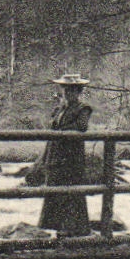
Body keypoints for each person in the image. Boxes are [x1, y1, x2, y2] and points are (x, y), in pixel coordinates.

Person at [38, 74, 94, 237]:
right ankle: (53, 227)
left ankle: (74, 228)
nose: (68, 93)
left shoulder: (83, 108)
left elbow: (81, 127)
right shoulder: (59, 109)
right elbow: (52, 132)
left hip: (71, 156)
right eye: (65, 89)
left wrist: (61, 132)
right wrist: (45, 158)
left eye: (72, 90)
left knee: (72, 192)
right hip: (55, 154)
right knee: (54, 190)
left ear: (78, 91)